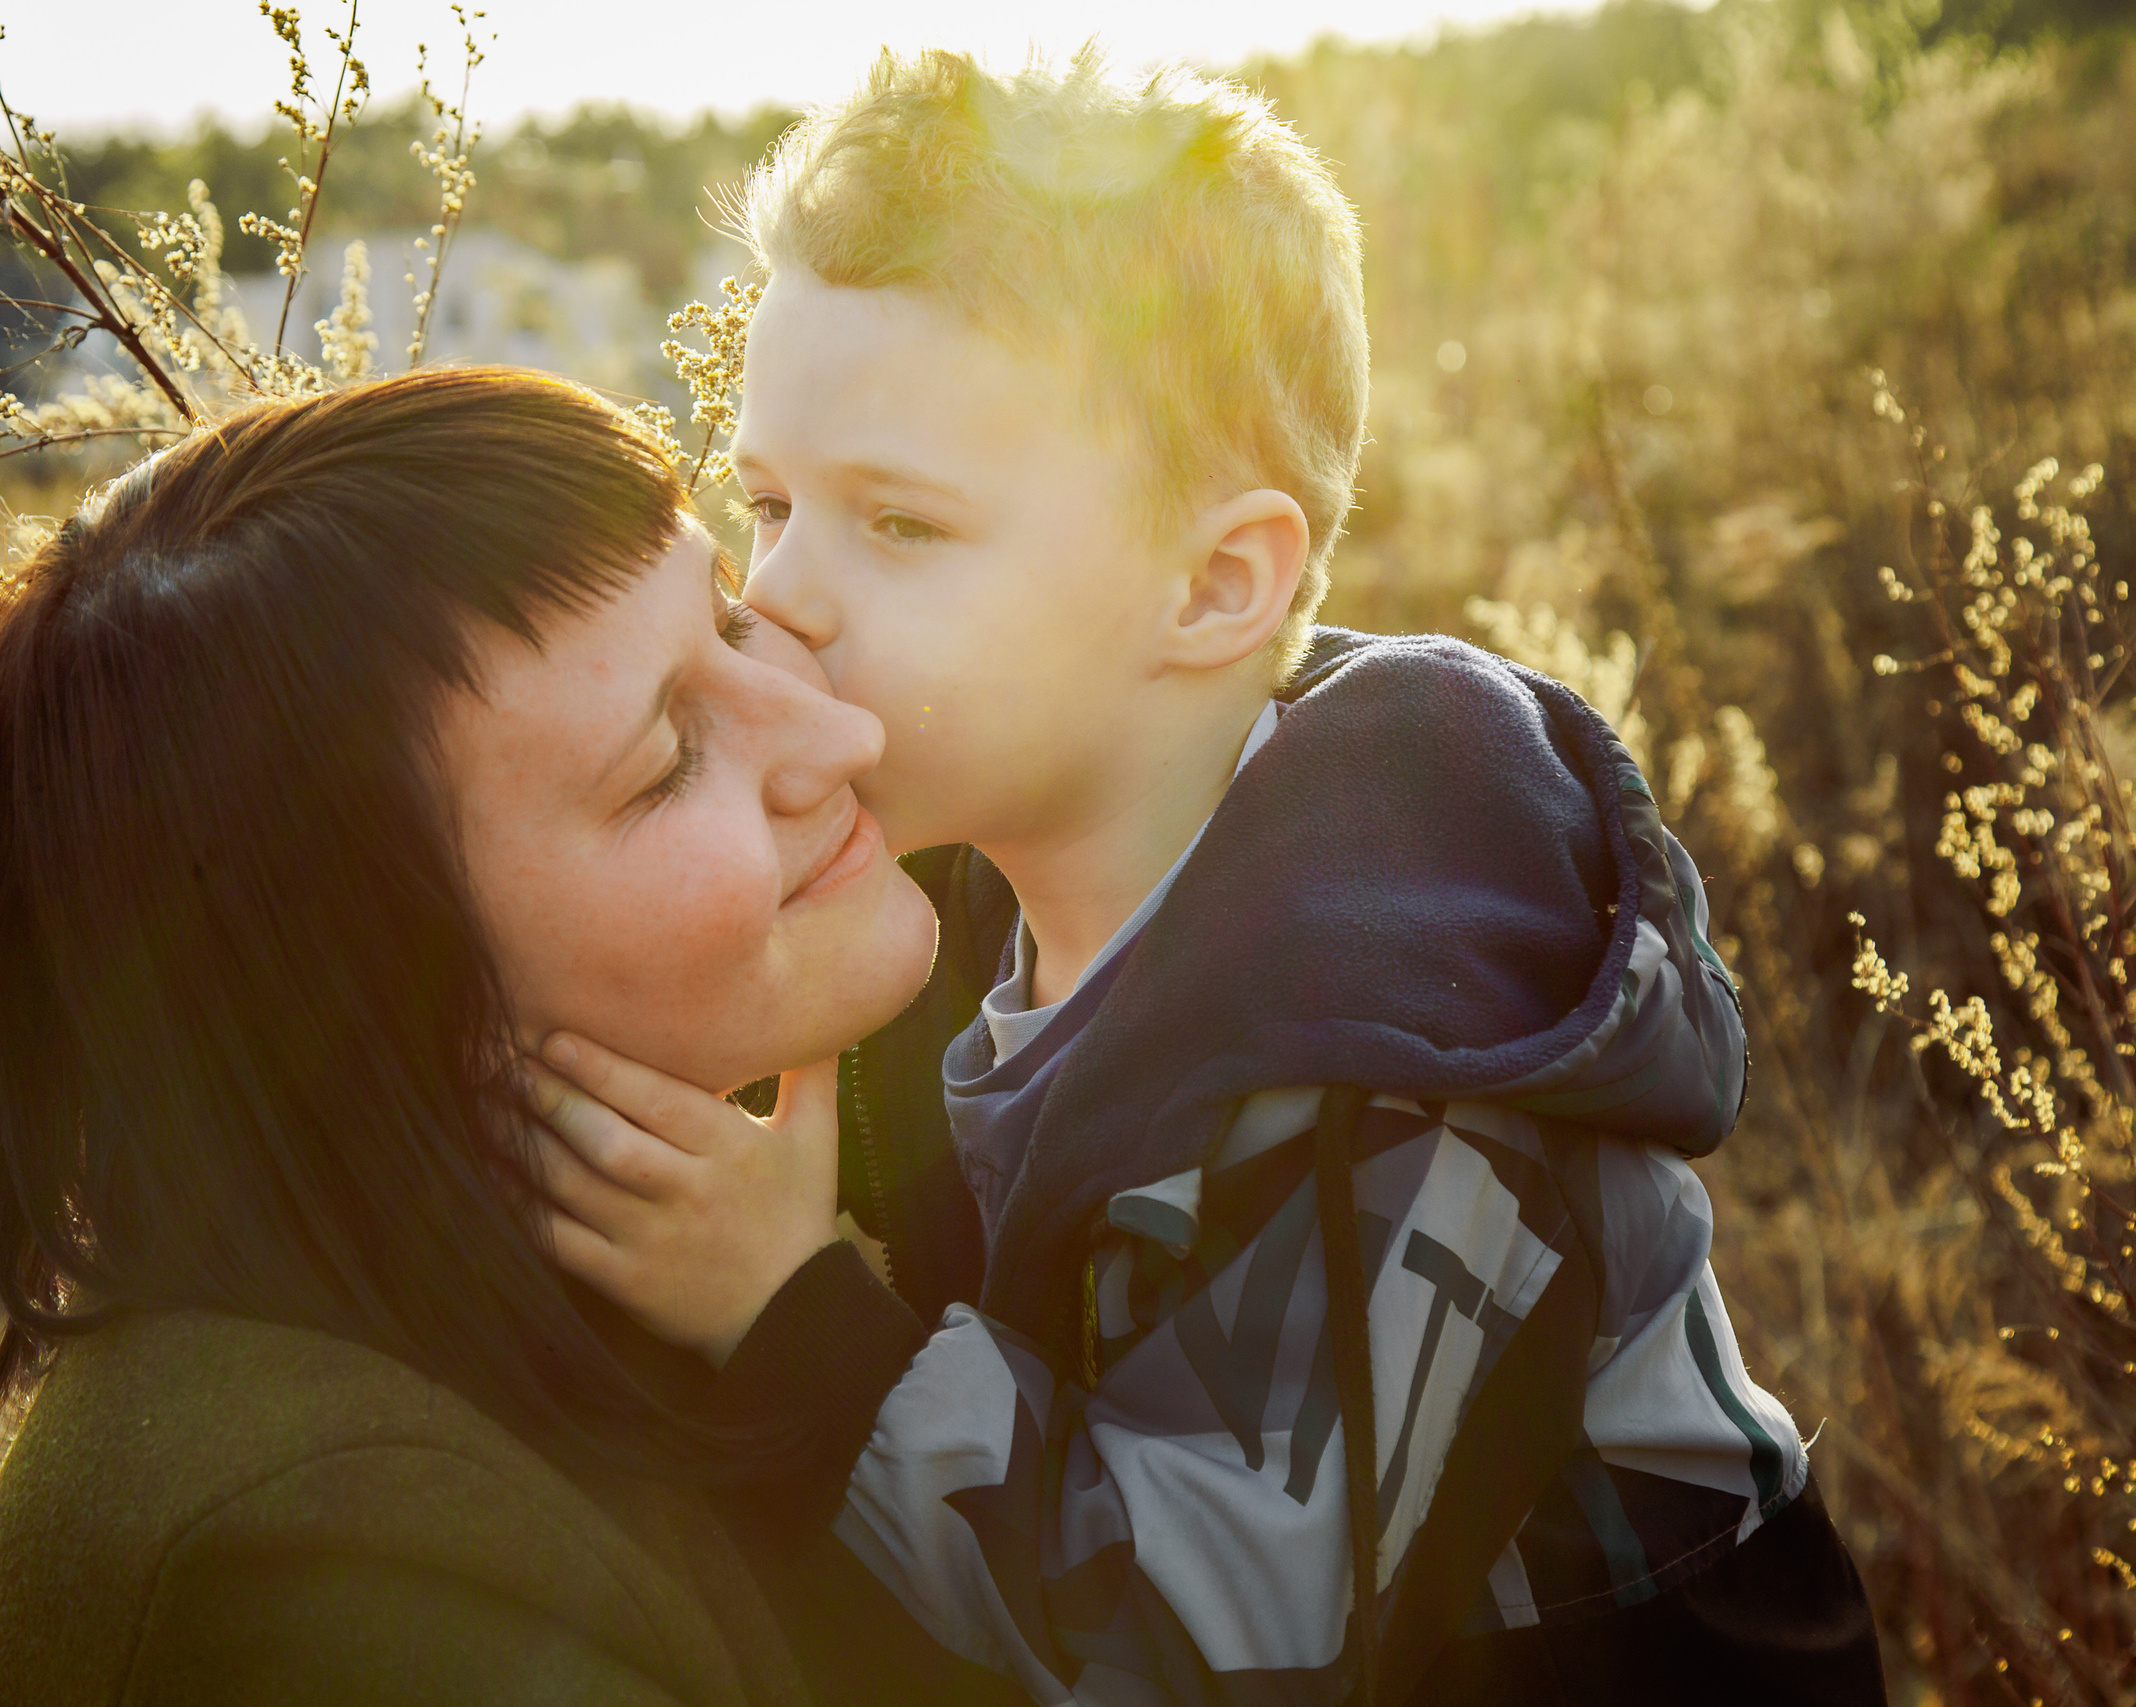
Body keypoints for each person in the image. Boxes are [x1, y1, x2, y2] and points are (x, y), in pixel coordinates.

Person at [524, 50, 1889, 1706]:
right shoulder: (975, 886)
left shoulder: (1393, 1053)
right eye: (773, 501)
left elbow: (1211, 1644)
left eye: (902, 527)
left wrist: (795, 1321)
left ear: (1216, 587)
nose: (784, 596)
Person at [0, 367, 948, 1706]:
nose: (840, 730)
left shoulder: (612, 1301)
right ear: (385, 1014)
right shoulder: (351, 1578)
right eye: (664, 762)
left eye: (733, 625)